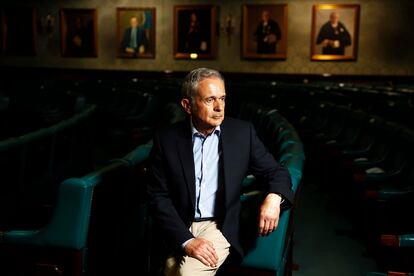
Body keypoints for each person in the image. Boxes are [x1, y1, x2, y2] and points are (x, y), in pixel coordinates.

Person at [148, 68, 293, 275]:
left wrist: (273, 198)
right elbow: (158, 196)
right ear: (187, 106)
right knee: (170, 270)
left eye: (222, 99)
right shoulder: (167, 139)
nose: (219, 107)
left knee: (187, 273)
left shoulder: (242, 133)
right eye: (210, 100)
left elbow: (276, 172)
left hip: (219, 225)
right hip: (179, 223)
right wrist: (186, 240)